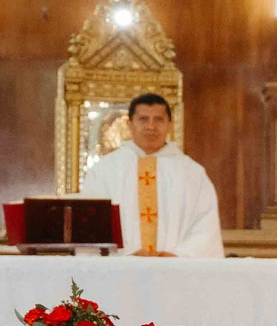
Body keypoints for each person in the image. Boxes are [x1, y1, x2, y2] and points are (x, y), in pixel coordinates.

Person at [80, 92, 224, 258]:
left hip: (175, 270)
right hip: (121, 269)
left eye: (159, 119)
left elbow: (205, 225)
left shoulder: (192, 173)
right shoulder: (105, 170)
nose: (151, 126)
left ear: (170, 124)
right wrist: (127, 253)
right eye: (143, 119)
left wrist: (180, 255)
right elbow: (94, 223)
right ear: (129, 124)